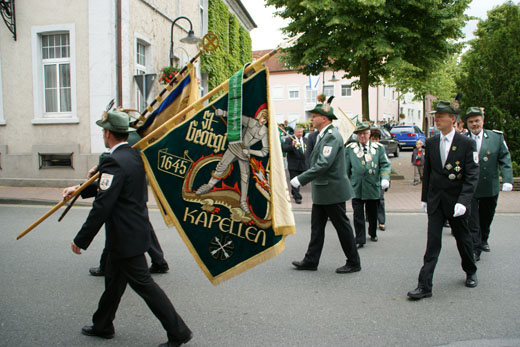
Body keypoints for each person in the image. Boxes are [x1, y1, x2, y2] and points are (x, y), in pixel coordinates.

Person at [63, 110, 192, 346]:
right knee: (113, 282)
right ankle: (103, 324)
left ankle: (179, 332)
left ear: (108, 133)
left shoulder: (113, 161)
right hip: (129, 234)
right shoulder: (132, 156)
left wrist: (81, 240)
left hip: (125, 237)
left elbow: (102, 205)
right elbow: (107, 187)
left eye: (103, 130)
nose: (103, 134)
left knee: (145, 286)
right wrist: (78, 189)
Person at [407, 100, 479, 300]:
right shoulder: (431, 142)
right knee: (433, 243)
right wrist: (424, 199)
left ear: (453, 119)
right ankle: (424, 285)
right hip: (436, 201)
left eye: (441, 116)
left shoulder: (466, 143)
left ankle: (470, 270)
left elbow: (472, 175)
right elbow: (428, 173)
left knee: (463, 240)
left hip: (456, 203)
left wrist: (463, 202)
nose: (436, 119)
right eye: (436, 116)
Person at [290, 97, 361, 274]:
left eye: (315, 116)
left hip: (332, 190)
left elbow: (323, 164)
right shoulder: (323, 135)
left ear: (325, 118)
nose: (311, 119)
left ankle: (354, 261)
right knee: (317, 227)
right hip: (323, 190)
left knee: (342, 227)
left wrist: (300, 179)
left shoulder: (332, 136)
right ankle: (311, 260)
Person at [87, 128, 169, 277]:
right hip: (135, 192)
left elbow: (118, 160)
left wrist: (99, 168)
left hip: (127, 193)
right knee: (140, 227)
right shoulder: (134, 134)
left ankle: (106, 266)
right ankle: (159, 261)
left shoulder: (129, 138)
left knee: (118, 228)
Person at [195, 107, 269, 214]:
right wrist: (223, 112)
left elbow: (264, 152)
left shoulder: (264, 131)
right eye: (263, 117)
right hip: (235, 146)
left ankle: (243, 201)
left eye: (266, 119)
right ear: (259, 116)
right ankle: (209, 185)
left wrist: (249, 152)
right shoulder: (250, 121)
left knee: (245, 177)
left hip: (245, 153)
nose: (264, 120)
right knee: (222, 165)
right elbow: (236, 117)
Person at [464, 107, 513, 259]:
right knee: (472, 219)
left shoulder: (496, 137)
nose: (474, 124)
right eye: (471, 122)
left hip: (489, 185)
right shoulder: (462, 139)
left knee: (486, 215)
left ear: (483, 121)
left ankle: (484, 238)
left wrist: (507, 179)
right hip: (470, 187)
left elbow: (505, 158)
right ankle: (475, 247)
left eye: (477, 121)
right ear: (467, 123)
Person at [345, 123, 391, 248]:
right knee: (358, 214)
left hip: (373, 186)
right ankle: (360, 238)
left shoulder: (379, 148)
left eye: (365, 133)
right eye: (360, 134)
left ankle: (372, 232)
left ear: (369, 134)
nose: (362, 136)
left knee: (372, 213)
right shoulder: (350, 149)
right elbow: (345, 169)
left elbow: (385, 164)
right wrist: (345, 184)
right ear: (356, 136)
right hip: (357, 187)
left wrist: (385, 178)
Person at [282, 125, 309, 204]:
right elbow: (284, 148)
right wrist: (292, 145)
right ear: (295, 132)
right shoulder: (289, 139)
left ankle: (294, 192)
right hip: (293, 164)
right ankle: (297, 197)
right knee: (294, 180)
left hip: (303, 164)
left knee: (299, 181)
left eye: (301, 132)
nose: (300, 133)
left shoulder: (306, 140)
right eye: (299, 132)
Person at [369, 128, 387, 231]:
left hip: (379, 178)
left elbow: (386, 164)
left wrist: (386, 179)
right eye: (373, 139)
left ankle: (381, 221)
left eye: (377, 139)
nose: (375, 141)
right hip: (369, 179)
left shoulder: (382, 149)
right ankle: (370, 218)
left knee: (380, 199)